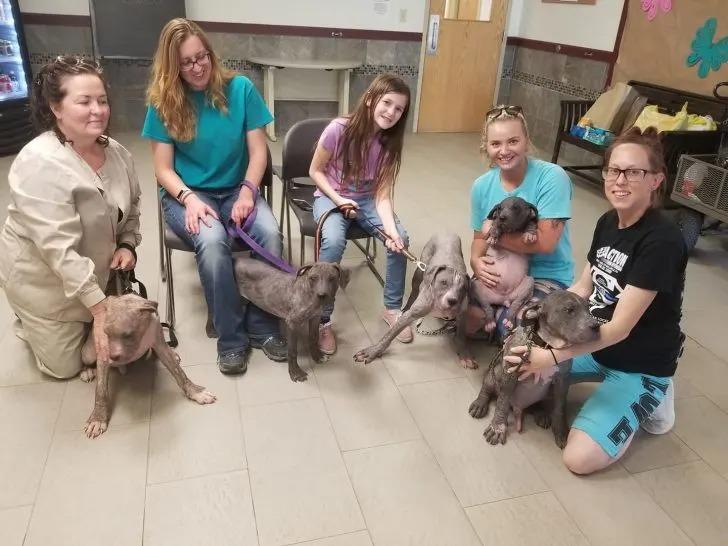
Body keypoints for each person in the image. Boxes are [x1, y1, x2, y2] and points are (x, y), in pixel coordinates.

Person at [506, 126, 687, 475]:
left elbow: (618, 329)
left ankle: (655, 394)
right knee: (521, 365)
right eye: (613, 170)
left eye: (634, 172)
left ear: (655, 181)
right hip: (592, 342)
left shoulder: (662, 241)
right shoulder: (608, 221)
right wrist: (536, 329)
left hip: (638, 360)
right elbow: (583, 287)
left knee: (578, 459)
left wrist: (552, 354)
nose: (620, 180)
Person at [143, 18, 286, 375]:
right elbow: (162, 169)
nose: (197, 67)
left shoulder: (239, 89)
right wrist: (190, 199)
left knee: (270, 232)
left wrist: (249, 192)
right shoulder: (163, 103)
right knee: (212, 239)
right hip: (188, 194)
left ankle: (263, 324)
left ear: (210, 52)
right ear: (172, 67)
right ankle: (231, 337)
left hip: (238, 189)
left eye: (201, 56)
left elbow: (258, 153)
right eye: (186, 62)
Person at [0, 55, 141, 379]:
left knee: (100, 347)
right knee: (65, 368)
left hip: (92, 272)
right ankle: (29, 317)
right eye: (85, 101)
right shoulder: (39, 163)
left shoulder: (118, 153)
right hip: (42, 281)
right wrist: (99, 308)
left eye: (102, 100)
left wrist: (127, 245)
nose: (98, 110)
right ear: (56, 107)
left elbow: (131, 209)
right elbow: (58, 251)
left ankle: (78, 315)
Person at [309, 74, 411, 355]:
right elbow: (315, 171)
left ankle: (392, 309)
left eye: (398, 108)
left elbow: (382, 195)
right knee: (332, 241)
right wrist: (339, 199)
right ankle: (322, 319)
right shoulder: (338, 129)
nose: (391, 112)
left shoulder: (391, 145)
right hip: (330, 197)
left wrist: (390, 231)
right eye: (386, 102)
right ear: (370, 100)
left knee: (400, 239)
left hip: (367, 201)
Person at [468, 105, 574, 337]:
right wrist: (476, 260)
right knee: (465, 317)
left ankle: (501, 320)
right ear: (486, 147)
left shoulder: (553, 177)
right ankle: (494, 317)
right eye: (496, 144)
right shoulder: (481, 186)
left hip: (546, 274)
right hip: (500, 271)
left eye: (513, 141)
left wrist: (492, 233)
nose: (504, 150)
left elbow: (545, 244)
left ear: (526, 141)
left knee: (521, 328)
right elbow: (478, 239)